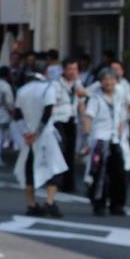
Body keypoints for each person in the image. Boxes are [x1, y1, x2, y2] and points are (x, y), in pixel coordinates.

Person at [13, 60, 68, 217]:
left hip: (28, 138)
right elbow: (48, 111)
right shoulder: (48, 89)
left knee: (29, 169)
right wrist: (37, 132)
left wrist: (26, 132)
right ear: (45, 72)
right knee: (55, 168)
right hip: (46, 135)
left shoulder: (22, 90)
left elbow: (17, 115)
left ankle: (31, 204)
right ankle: (49, 202)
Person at [82, 68, 129, 217]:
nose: (109, 82)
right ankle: (99, 204)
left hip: (114, 139)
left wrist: (122, 135)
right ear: (100, 82)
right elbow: (88, 118)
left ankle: (117, 205)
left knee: (119, 174)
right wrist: (87, 140)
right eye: (105, 79)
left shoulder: (119, 97)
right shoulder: (96, 98)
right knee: (99, 174)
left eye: (112, 79)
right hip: (100, 140)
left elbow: (121, 118)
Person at [51, 57, 87, 192]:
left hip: (72, 120)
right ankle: (57, 181)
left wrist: (84, 121)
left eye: (75, 69)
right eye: (70, 69)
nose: (73, 72)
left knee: (70, 152)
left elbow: (81, 103)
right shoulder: (56, 84)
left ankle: (68, 183)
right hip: (58, 120)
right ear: (64, 70)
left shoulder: (78, 84)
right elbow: (52, 104)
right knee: (61, 150)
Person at [111, 60, 130, 170]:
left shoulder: (126, 86)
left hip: (121, 122)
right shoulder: (104, 83)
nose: (114, 71)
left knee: (122, 144)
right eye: (112, 69)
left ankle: (126, 168)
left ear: (122, 71)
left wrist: (126, 118)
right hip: (107, 122)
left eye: (117, 69)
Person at [0, 65, 17, 153]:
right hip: (3, 113)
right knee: (1, 135)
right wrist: (12, 111)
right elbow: (9, 102)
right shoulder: (6, 86)